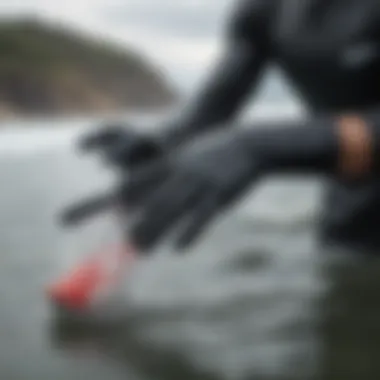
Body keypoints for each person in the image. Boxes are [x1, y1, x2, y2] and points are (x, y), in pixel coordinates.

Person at [77, 0, 380, 254]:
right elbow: (213, 109)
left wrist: (258, 147)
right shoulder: (265, 10)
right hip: (351, 229)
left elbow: (249, 147)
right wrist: (159, 147)